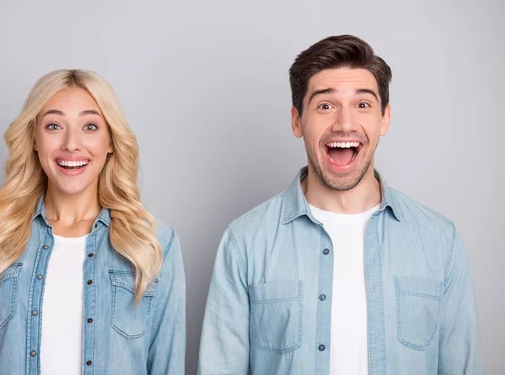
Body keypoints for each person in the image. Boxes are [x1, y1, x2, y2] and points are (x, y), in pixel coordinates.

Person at [197, 35, 482, 374]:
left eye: (363, 105)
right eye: (325, 105)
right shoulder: (244, 241)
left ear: (384, 119)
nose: (345, 124)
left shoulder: (440, 241)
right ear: (297, 120)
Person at [0, 69, 186, 375]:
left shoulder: (154, 244)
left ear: (111, 141)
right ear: (34, 139)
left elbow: (168, 366)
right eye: (54, 126)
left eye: (89, 126)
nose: (71, 144)